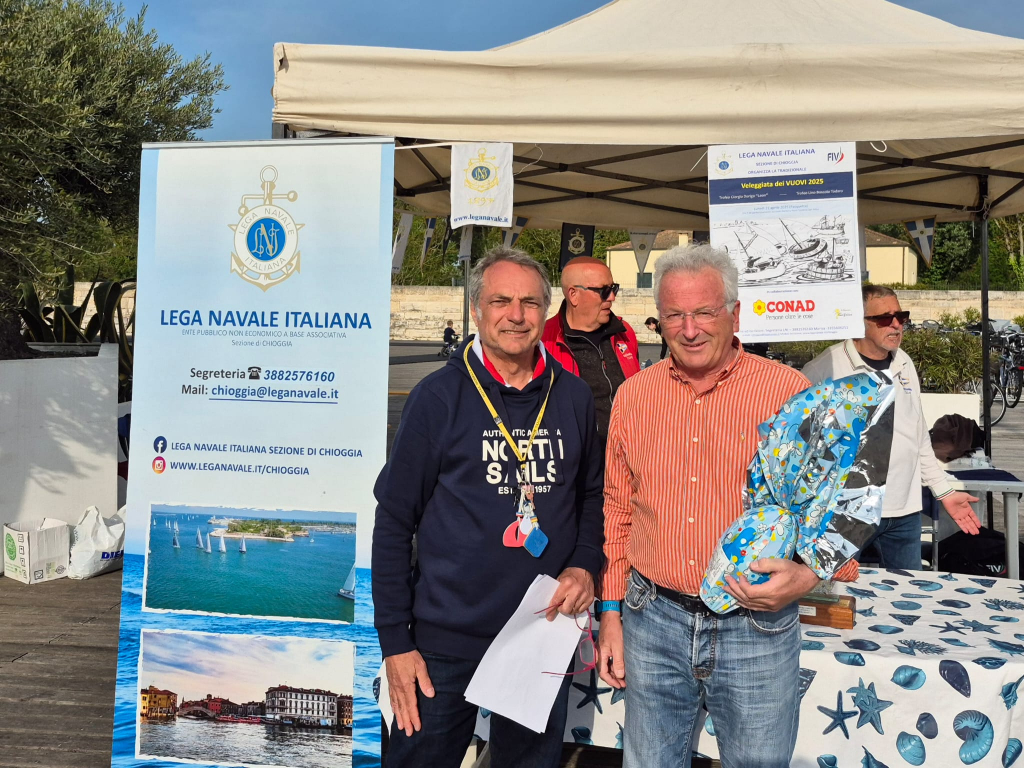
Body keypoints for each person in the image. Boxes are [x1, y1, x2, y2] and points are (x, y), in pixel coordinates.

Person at [373, 246, 605, 768]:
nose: (516, 315)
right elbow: (393, 521)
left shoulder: (571, 396)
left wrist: (585, 563)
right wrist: (395, 643)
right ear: (477, 309)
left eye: (529, 302)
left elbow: (592, 495)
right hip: (442, 642)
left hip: (540, 633)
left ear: (547, 311)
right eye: (501, 301)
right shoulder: (437, 397)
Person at [597, 244, 818, 768]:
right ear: (659, 320)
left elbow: (828, 509)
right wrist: (610, 612)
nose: (690, 329)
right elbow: (618, 508)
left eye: (704, 312)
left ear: (734, 314)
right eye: (675, 315)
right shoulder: (634, 396)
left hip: (755, 624)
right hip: (652, 619)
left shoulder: (789, 392)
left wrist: (809, 576)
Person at [802, 284, 980, 569]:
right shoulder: (824, 369)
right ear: (859, 321)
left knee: (910, 592)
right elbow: (801, 446)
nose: (896, 325)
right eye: (885, 318)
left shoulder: (904, 362)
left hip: (904, 512)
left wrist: (943, 491)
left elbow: (917, 435)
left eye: (901, 316)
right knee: (836, 591)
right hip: (843, 514)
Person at [542, 256, 639, 447]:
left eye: (613, 288)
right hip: (574, 456)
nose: (612, 297)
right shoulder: (543, 341)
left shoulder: (625, 333)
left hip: (629, 453)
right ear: (573, 295)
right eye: (604, 291)